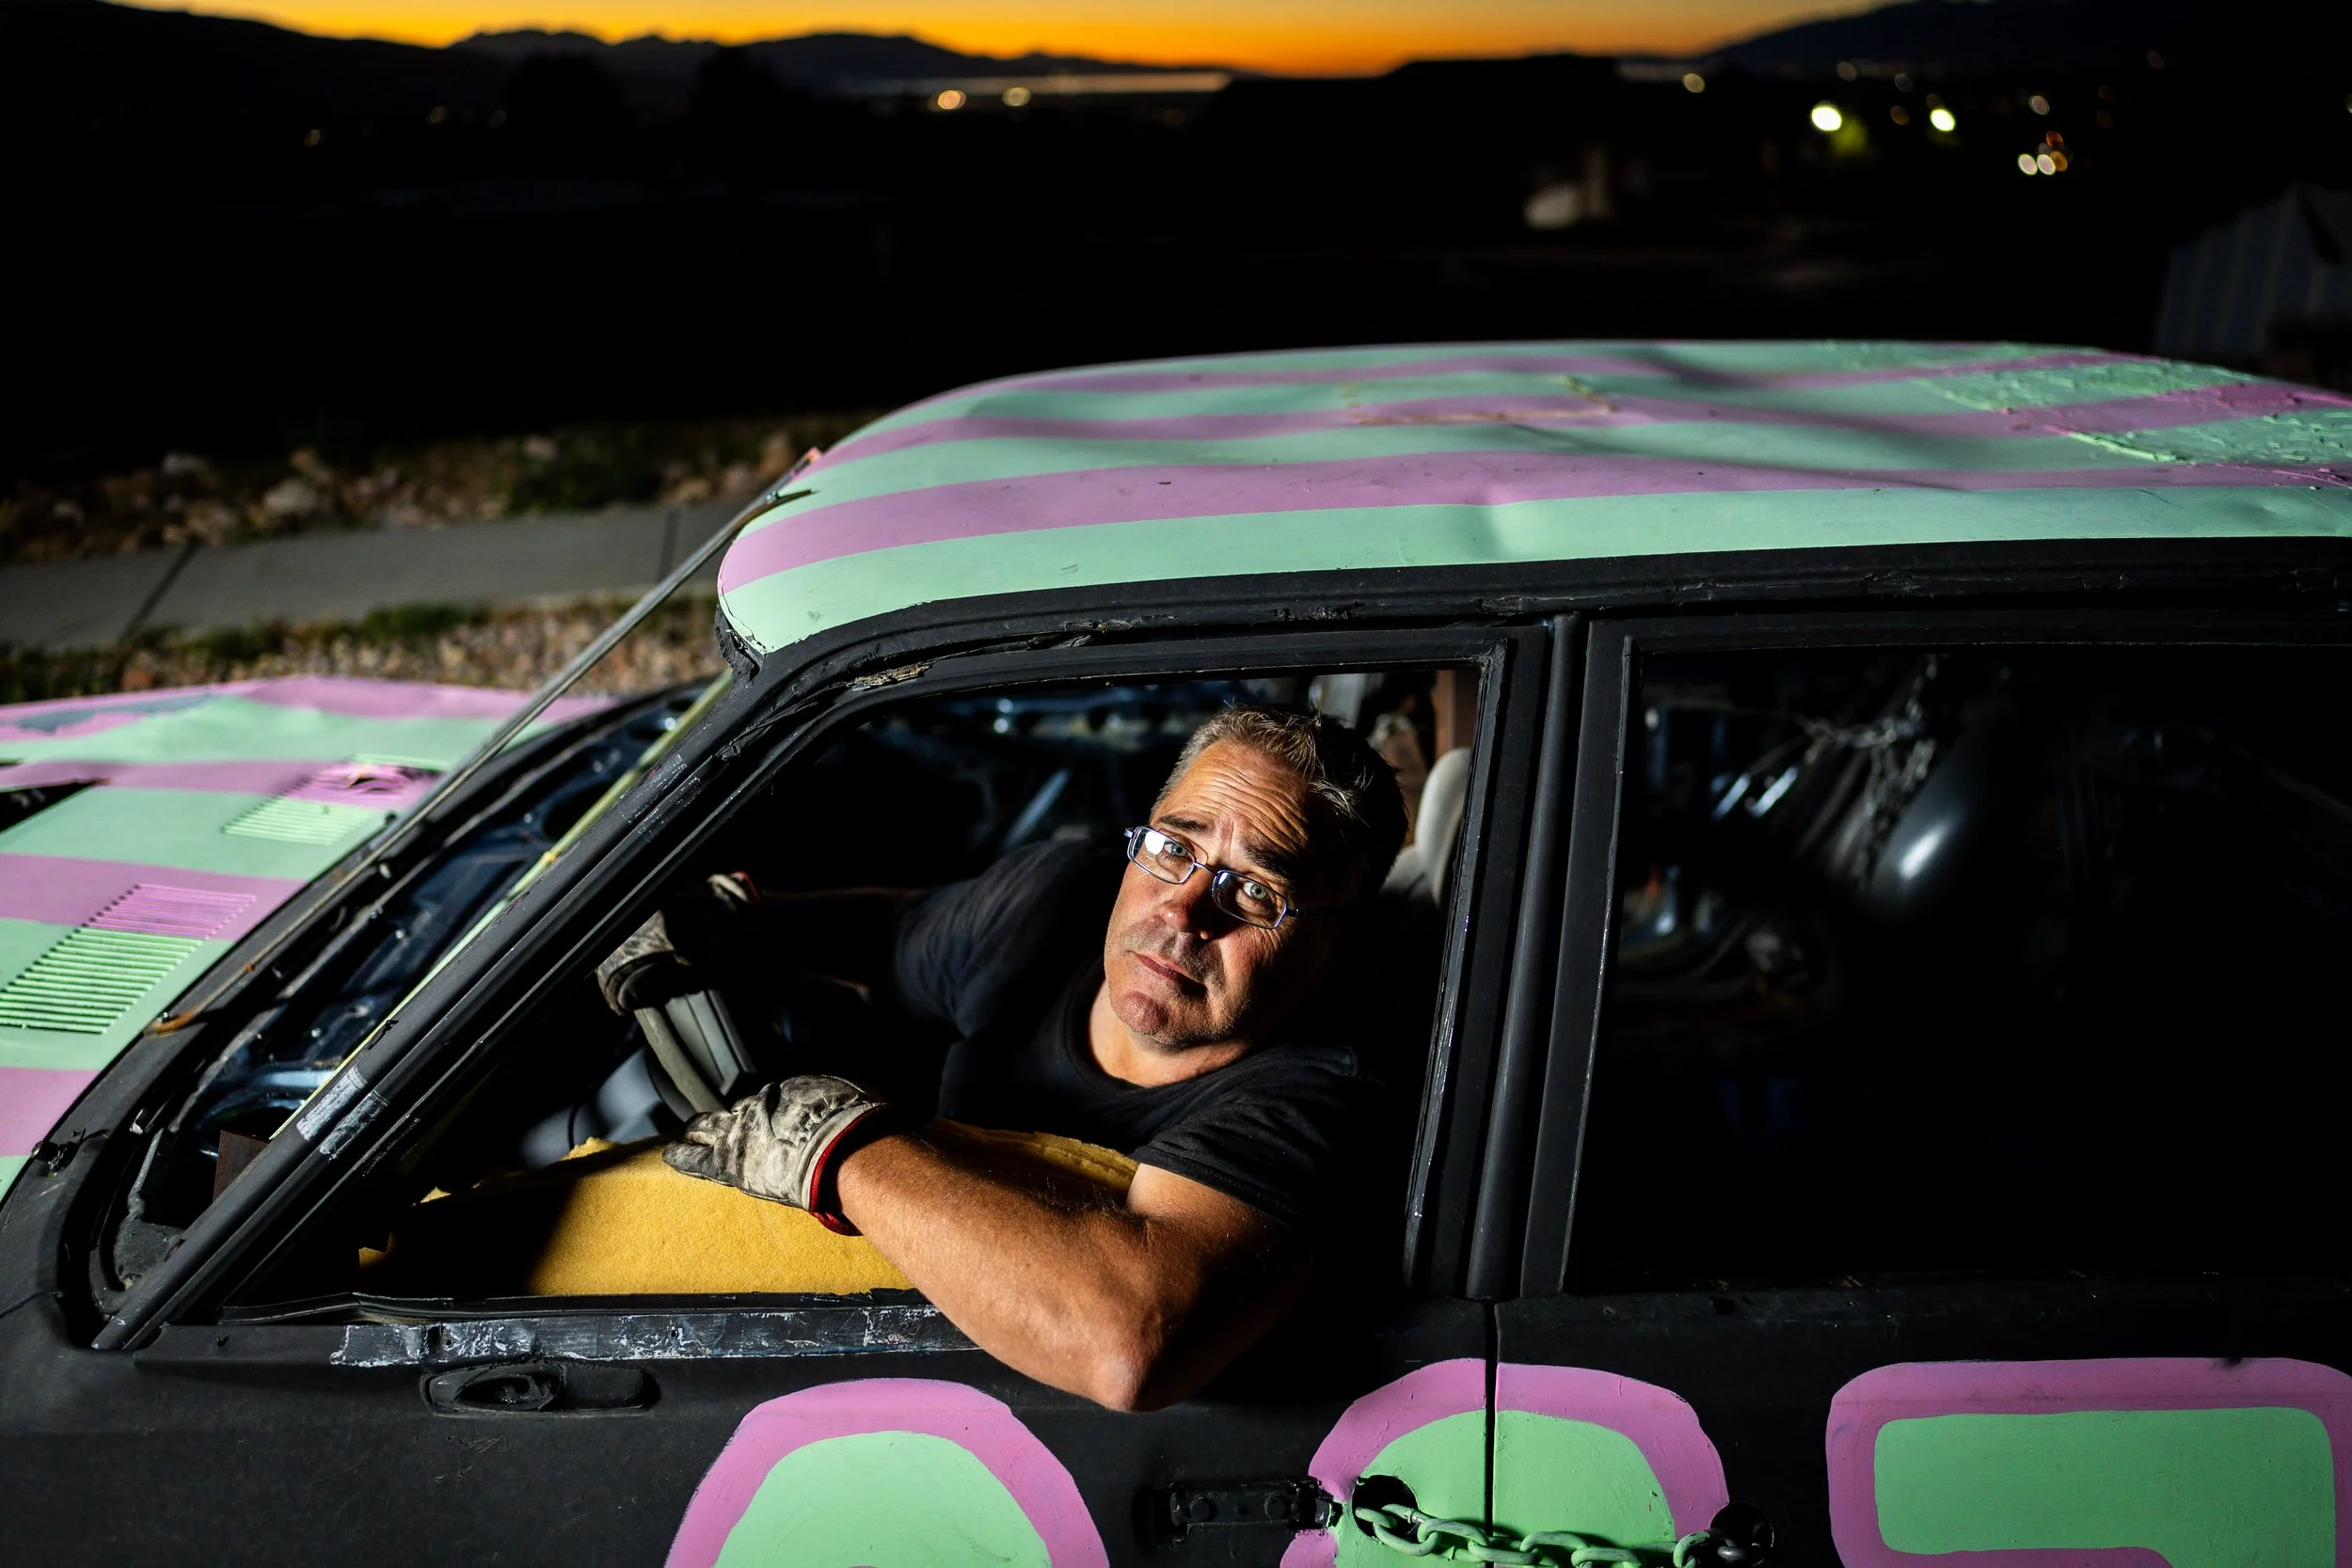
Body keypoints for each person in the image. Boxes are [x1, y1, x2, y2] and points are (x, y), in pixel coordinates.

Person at [596, 705, 1409, 1411]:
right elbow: (896, 938)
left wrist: (832, 1145)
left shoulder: (1322, 1096)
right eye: (1171, 847)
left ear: (1335, 950)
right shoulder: (1057, 896)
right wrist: (737, 921)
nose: (1185, 909)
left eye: (1256, 891)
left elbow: (1129, 1339)